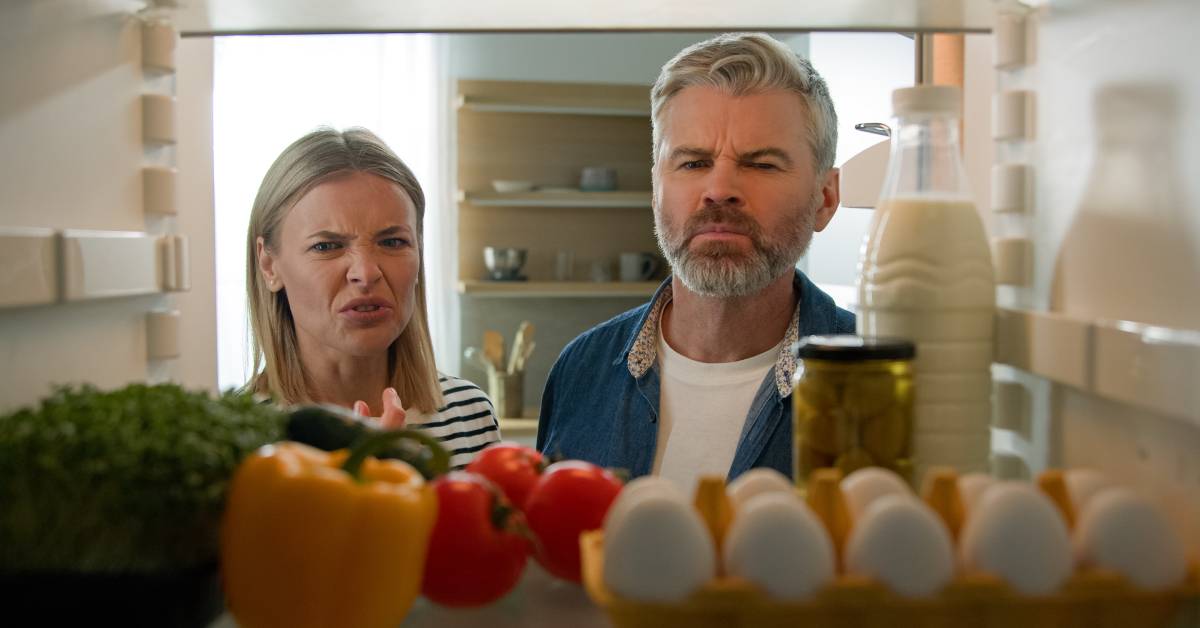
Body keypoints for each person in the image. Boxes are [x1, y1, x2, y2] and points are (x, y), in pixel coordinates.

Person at [537, 33, 854, 488]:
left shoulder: (883, 383)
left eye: (762, 164)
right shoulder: (580, 371)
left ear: (825, 198)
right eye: (692, 163)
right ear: (655, 191)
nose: (719, 189)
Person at [246, 127, 499, 468]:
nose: (366, 273)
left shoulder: (470, 414)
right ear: (268, 264)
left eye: (393, 242)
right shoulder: (238, 440)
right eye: (327, 246)